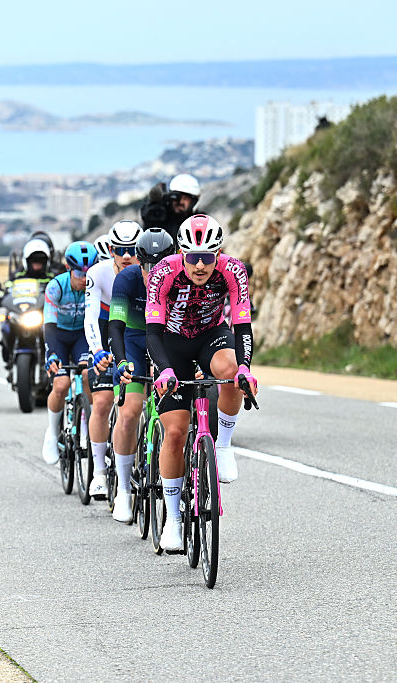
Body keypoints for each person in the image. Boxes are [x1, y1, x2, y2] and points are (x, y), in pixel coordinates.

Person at [145, 214, 258, 552]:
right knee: (176, 432)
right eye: (192, 257)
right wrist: (164, 369)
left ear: (218, 254)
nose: (199, 266)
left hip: (211, 335)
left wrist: (246, 369)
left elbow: (242, 326)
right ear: (181, 252)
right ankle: (174, 522)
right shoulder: (163, 273)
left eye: (207, 258)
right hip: (171, 343)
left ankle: (221, 446)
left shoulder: (233, 271)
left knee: (231, 372)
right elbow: (152, 332)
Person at [107, 228, 175, 522]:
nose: (154, 274)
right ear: (139, 263)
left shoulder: (182, 280)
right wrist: (121, 362)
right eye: (148, 267)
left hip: (166, 340)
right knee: (131, 409)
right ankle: (123, 489)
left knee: (175, 416)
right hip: (134, 341)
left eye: (161, 267)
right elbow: (116, 326)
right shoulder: (127, 279)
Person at [83, 219, 142, 499]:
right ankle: (98, 473)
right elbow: (91, 316)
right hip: (106, 326)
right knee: (104, 400)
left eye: (132, 248)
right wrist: (97, 351)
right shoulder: (98, 273)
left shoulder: (148, 272)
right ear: (111, 249)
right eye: (121, 249)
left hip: (136, 329)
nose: (127, 255)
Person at [41, 241, 98, 464]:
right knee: (61, 384)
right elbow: (49, 325)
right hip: (60, 336)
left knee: (87, 375)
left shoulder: (95, 286)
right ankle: (52, 433)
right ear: (67, 268)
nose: (84, 279)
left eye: (89, 272)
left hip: (82, 337)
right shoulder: (56, 287)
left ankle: (87, 424)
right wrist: (53, 354)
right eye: (79, 273)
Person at [0, 237, 56, 365]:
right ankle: (8, 352)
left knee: (52, 330)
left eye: (40, 260)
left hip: (41, 312)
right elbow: (8, 288)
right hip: (20, 311)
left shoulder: (52, 276)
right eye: (33, 260)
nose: (37, 263)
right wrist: (2, 297)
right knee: (6, 325)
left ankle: (50, 357)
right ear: (26, 260)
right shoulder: (17, 275)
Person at [139, 173, 200, 242]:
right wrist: (155, 204)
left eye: (185, 199)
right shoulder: (161, 215)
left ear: (193, 201)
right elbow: (147, 217)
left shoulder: (198, 222)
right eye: (177, 197)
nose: (180, 202)